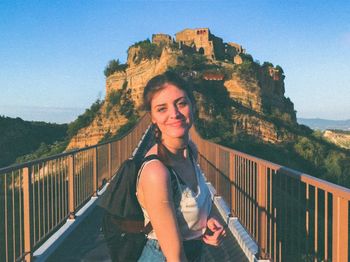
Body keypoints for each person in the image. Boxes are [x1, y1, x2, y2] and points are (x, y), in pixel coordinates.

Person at [136, 71, 225, 262]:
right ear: (152, 117)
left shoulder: (190, 150)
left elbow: (187, 207)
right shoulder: (156, 172)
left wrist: (205, 221)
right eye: (162, 109)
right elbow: (175, 256)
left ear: (192, 106)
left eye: (181, 103)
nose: (174, 114)